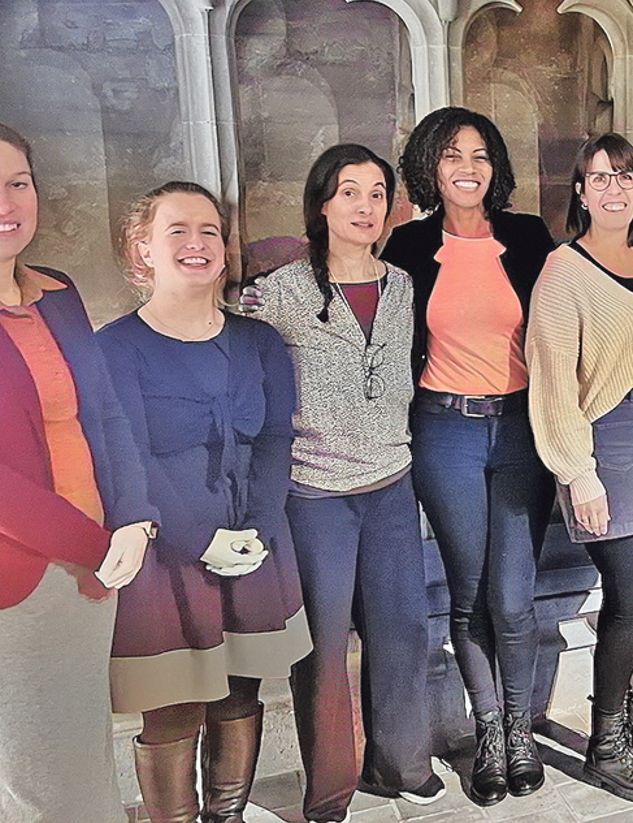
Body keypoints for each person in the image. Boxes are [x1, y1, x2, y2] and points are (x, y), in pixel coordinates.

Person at [0, 112, 157, 822]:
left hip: (94, 568)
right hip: (0, 581)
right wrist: (97, 546)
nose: (4, 203)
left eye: (18, 183)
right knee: (39, 791)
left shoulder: (56, 292)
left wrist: (136, 517)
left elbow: (106, 414)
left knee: (83, 768)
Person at [100, 181, 311, 823]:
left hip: (252, 541)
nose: (197, 243)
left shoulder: (260, 342)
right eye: (178, 231)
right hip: (166, 553)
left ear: (224, 251)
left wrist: (259, 529)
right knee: (172, 706)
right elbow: (120, 457)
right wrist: (198, 538)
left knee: (238, 692)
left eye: (210, 232)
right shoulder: (112, 348)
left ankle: (229, 815)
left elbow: (277, 438)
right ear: (143, 250)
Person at [251, 144, 443, 820]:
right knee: (324, 648)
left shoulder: (401, 286)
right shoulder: (279, 292)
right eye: (349, 193)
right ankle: (329, 791)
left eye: (376, 193)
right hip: (316, 495)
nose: (365, 207)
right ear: (323, 204)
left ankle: (401, 763)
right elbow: (246, 374)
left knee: (402, 630)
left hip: (392, 483)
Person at [380, 107, 556, 806]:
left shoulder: (529, 237)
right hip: (444, 429)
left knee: (513, 599)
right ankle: (489, 731)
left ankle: (520, 730)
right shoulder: (407, 246)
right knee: (469, 593)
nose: (468, 168)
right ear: (429, 166)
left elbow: (566, 326)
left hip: (519, 430)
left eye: (481, 155)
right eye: (453, 155)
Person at [527, 132, 633, 803]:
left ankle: (615, 727)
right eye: (600, 178)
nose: (614, 188)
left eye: (625, 177)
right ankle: (606, 740)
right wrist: (578, 472)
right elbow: (553, 381)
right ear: (581, 192)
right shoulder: (562, 272)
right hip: (604, 438)